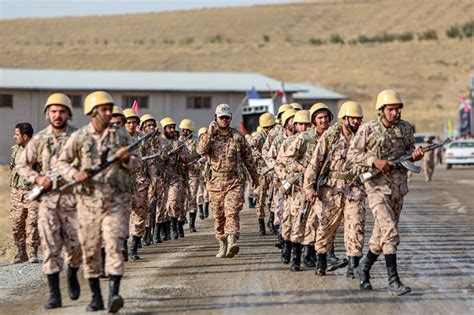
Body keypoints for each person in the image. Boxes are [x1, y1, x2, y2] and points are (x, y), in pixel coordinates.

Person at [57, 91, 140, 312]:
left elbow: (137, 164)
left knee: (114, 246)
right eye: (104, 109)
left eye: (109, 109)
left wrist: (126, 159)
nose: (109, 113)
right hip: (88, 204)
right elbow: (61, 162)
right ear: (93, 112)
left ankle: (114, 294)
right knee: (91, 250)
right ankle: (96, 296)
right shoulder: (80, 137)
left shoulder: (121, 137)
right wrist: (74, 174)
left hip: (115, 202)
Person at [347, 89, 424, 296]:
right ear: (381, 110)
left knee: (380, 235)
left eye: (398, 109)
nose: (395, 113)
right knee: (390, 231)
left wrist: (414, 156)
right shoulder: (368, 129)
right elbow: (352, 154)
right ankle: (394, 281)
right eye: (391, 109)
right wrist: (374, 161)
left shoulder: (405, 128)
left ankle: (364, 268)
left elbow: (409, 151)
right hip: (376, 187)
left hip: (398, 187)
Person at [16, 93, 82, 309]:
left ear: (69, 114)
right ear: (47, 114)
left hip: (73, 201)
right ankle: (55, 294)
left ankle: (72, 273)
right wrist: (38, 178)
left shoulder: (78, 137)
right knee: (51, 248)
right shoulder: (40, 139)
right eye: (53, 111)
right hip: (48, 203)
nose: (57, 115)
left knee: (75, 249)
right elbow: (22, 165)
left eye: (62, 111)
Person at [304, 101, 366, 277]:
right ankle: (321, 261)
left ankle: (353, 266)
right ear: (344, 118)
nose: (356, 121)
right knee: (325, 228)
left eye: (359, 119)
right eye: (353, 118)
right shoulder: (330, 136)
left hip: (354, 190)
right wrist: (309, 187)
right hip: (330, 191)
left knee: (356, 227)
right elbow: (314, 163)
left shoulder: (363, 136)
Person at [196, 104, 259, 258]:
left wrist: (255, 176)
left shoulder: (237, 137)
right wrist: (210, 133)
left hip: (234, 181)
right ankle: (222, 243)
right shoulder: (209, 136)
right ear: (216, 118)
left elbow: (248, 158)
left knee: (231, 212)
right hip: (215, 182)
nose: (224, 120)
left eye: (227, 117)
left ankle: (232, 241)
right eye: (221, 117)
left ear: (231, 118)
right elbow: (201, 150)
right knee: (219, 215)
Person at [9, 122, 40, 264]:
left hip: (33, 193)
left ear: (25, 136)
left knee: (32, 224)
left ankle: (32, 252)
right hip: (17, 193)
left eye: (17, 134)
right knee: (16, 224)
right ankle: (21, 253)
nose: (14, 137)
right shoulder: (15, 150)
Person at [160, 117, 191, 239]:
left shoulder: (178, 143)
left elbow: (186, 158)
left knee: (173, 202)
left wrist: (178, 153)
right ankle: (161, 230)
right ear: (164, 129)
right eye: (169, 127)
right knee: (161, 206)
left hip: (175, 177)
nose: (172, 130)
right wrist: (165, 155)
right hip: (160, 177)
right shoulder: (158, 143)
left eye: (173, 127)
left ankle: (174, 225)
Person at [250, 112, 276, 236]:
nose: (269, 129)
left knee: (274, 197)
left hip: (273, 171)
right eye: (267, 127)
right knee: (260, 198)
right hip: (262, 172)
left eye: (271, 126)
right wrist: (260, 155)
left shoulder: (276, 136)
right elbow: (250, 148)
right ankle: (261, 226)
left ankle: (271, 222)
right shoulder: (259, 137)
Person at [180, 119, 200, 233]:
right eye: (182, 129)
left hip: (193, 173)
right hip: (181, 173)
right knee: (181, 198)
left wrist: (199, 162)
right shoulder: (178, 141)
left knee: (192, 197)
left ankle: (192, 224)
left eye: (185, 129)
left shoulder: (197, 142)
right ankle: (181, 221)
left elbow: (203, 155)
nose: (183, 131)